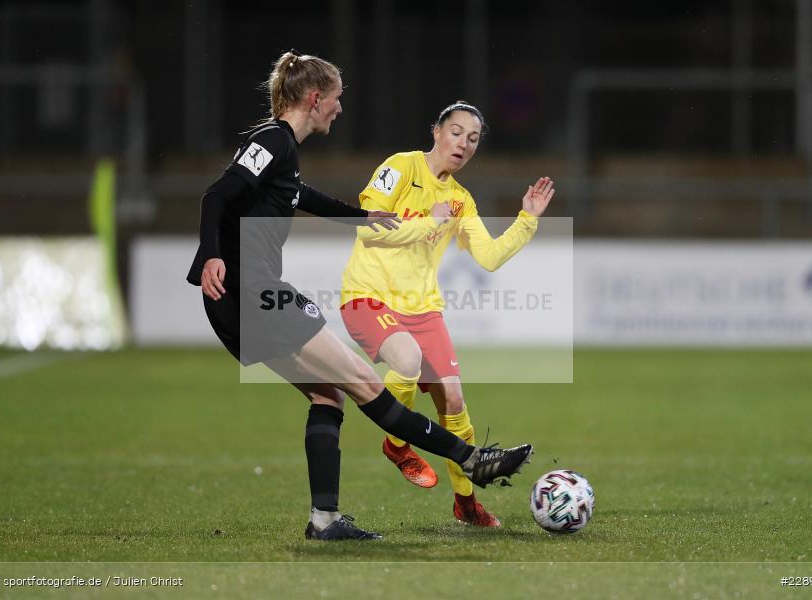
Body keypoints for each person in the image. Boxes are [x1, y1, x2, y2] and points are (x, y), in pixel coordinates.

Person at [186, 53, 534, 541]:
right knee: (361, 379)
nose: (339, 108)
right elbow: (216, 195)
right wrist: (211, 255)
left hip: (236, 301)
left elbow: (302, 196)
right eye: (336, 99)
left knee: (328, 396)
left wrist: (360, 218)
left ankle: (324, 519)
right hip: (251, 289)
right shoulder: (273, 139)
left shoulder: (281, 152)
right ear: (314, 99)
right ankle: (472, 459)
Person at [339, 101, 554, 527]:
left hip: (423, 309)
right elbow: (367, 227)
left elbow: (489, 257)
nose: (464, 144)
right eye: (456, 132)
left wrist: (526, 219)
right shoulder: (400, 167)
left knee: (453, 399)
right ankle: (397, 444)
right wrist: (427, 222)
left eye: (473, 139)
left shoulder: (460, 201)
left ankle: (466, 503)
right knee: (407, 360)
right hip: (368, 296)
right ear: (436, 131)